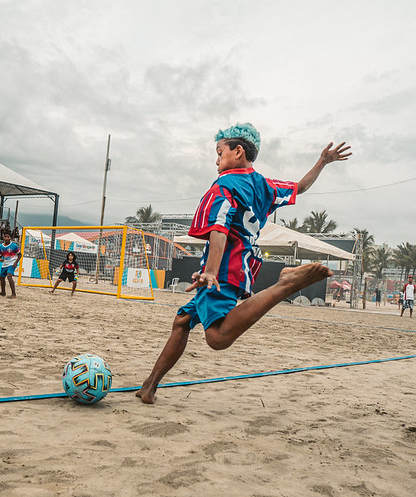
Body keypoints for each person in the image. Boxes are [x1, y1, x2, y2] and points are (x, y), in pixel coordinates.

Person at [136, 123, 350, 404]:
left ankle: (285, 285)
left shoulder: (226, 184)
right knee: (183, 320)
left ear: (238, 152)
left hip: (223, 266)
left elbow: (219, 227)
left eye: (219, 151)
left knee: (217, 337)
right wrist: (322, 162)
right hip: (241, 264)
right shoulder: (263, 184)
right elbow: (300, 187)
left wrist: (210, 272)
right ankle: (149, 386)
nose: (216, 159)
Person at [0, 231, 22, 298]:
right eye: (5, 237)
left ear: (10, 238)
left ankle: (14, 294)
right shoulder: (1, 246)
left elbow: (20, 255)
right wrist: (0, 259)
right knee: (2, 278)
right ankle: (3, 292)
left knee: (9, 276)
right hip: (5, 264)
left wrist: (15, 262)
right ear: (3, 237)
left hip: (12, 263)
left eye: (8, 237)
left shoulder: (14, 246)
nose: (6, 238)